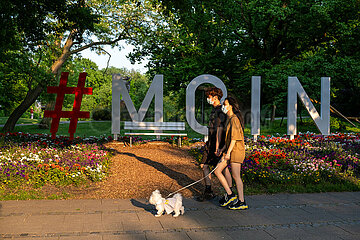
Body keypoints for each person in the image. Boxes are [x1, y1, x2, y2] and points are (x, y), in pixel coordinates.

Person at [196, 87, 233, 201]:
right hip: (210, 143)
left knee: (224, 168)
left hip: (217, 145)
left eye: (209, 97)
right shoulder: (214, 110)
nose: (208, 99)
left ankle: (230, 192)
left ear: (215, 97)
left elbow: (219, 130)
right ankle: (208, 191)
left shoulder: (220, 111)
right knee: (204, 165)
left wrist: (218, 147)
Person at [214, 96, 248, 210]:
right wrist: (222, 149)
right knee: (218, 171)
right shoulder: (229, 119)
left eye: (225, 104)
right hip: (229, 150)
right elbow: (229, 139)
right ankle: (230, 194)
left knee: (236, 176)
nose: (223, 106)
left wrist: (227, 153)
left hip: (236, 151)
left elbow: (234, 138)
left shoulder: (234, 119)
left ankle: (242, 201)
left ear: (231, 106)